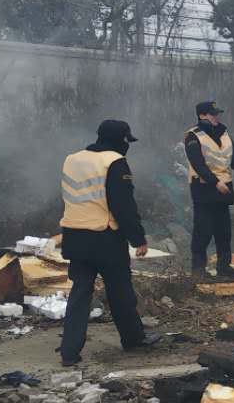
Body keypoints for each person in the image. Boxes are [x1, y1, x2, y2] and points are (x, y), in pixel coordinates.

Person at [58, 119, 160, 366]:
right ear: (120, 140)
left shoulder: (72, 159)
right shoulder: (114, 162)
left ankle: (69, 352)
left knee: (80, 294)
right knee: (120, 292)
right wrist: (138, 238)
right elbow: (123, 205)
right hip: (105, 238)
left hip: (74, 236)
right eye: (127, 140)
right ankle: (133, 339)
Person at [184, 99, 234, 279]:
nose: (216, 117)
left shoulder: (223, 132)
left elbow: (233, 154)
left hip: (224, 189)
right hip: (204, 189)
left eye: (217, 114)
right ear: (202, 116)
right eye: (212, 114)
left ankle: (224, 267)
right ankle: (198, 270)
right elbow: (198, 164)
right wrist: (215, 182)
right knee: (203, 231)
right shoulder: (193, 136)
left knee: (224, 232)